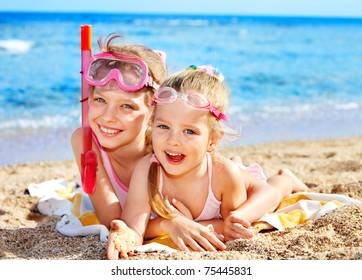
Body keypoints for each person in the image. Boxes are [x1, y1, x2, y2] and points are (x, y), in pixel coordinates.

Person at [107, 65, 308, 259]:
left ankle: (286, 178)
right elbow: (134, 227)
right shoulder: (147, 168)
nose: (173, 140)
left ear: (213, 140)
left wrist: (187, 222)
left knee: (270, 194)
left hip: (239, 181)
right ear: (152, 124)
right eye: (163, 127)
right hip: (215, 167)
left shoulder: (225, 175)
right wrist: (169, 223)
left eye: (189, 131)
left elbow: (230, 226)